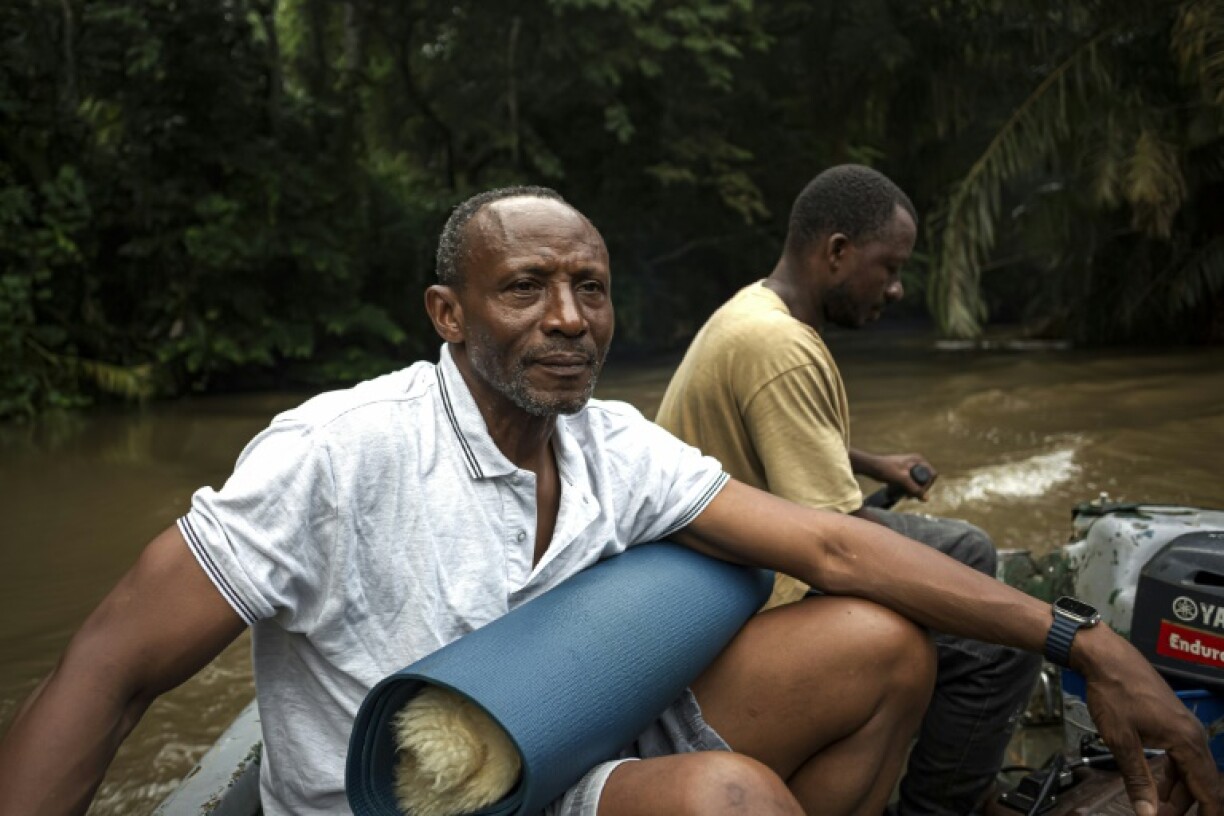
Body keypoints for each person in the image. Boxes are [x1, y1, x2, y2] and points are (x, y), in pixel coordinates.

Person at [0, 186, 1217, 816]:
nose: (570, 319)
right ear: (450, 314)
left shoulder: (605, 440)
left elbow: (828, 544)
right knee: (733, 795)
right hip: (398, 797)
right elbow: (108, 670)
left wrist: (1084, 641)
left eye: (591, 286)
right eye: (527, 288)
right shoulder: (338, 452)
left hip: (555, 759)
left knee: (885, 645)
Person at [654, 164, 1042, 815]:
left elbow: (772, 434)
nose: (894, 290)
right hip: (741, 606)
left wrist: (871, 461)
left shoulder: (751, 313)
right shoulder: (780, 345)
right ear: (836, 252)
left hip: (721, 580)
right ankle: (945, 807)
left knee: (960, 561)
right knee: (986, 601)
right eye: (888, 269)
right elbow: (839, 540)